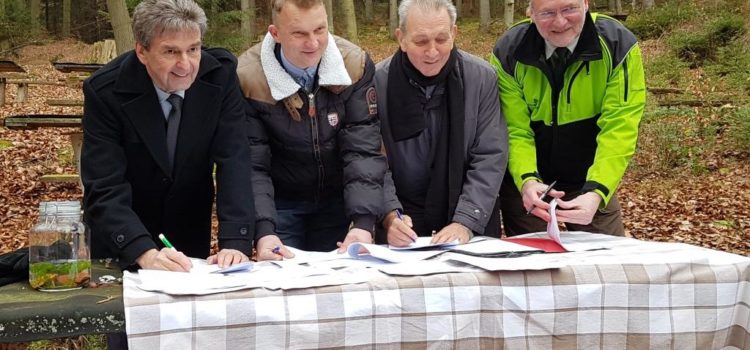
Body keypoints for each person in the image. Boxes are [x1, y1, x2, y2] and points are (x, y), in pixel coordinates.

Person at [81, 0, 255, 273]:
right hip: (120, 240)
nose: (185, 65)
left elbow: (234, 158)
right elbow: (104, 184)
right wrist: (142, 251)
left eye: (193, 49)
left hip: (188, 232)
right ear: (142, 51)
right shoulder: (105, 92)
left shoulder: (219, 77)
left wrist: (236, 241)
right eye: (171, 52)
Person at [236, 0, 386, 259]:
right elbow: (253, 163)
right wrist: (263, 231)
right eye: (299, 33)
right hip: (279, 204)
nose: (313, 43)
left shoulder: (354, 65)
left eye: (320, 30)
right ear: (275, 34)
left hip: (338, 199)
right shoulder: (248, 78)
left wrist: (363, 223)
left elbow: (362, 149)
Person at [491, 0, 646, 236]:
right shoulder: (509, 50)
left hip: (588, 174)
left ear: (586, 3)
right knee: (532, 264)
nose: (560, 21)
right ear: (530, 13)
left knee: (607, 259)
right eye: (547, 13)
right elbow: (515, 129)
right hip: (527, 179)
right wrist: (527, 181)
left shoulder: (617, 44)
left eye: (569, 8)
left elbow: (619, 126)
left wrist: (597, 191)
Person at [374, 0, 508, 247]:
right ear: (401, 38)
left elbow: (490, 156)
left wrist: (466, 222)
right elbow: (372, 159)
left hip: (468, 218)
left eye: (442, 39)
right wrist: (389, 216)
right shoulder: (376, 84)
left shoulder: (482, 78)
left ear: (455, 33)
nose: (433, 52)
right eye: (421, 41)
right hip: (402, 221)